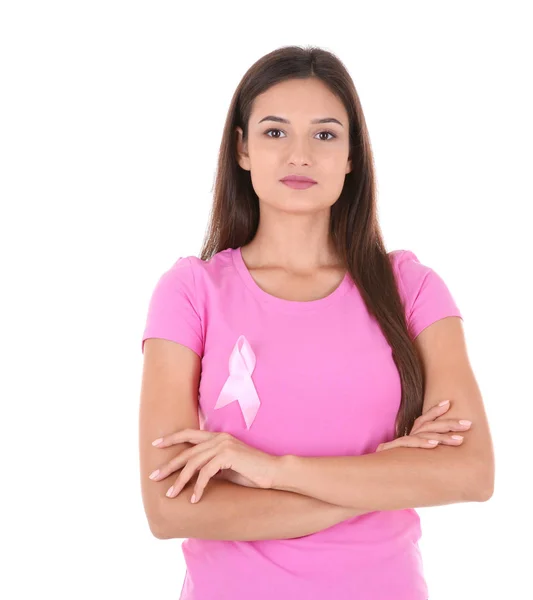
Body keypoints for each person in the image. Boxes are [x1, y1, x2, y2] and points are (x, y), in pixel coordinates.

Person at [138, 45, 494, 600]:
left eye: (325, 135)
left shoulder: (412, 289)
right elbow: (168, 508)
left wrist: (269, 469)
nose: (299, 155)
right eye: (275, 133)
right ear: (242, 149)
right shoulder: (190, 292)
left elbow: (471, 473)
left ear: (353, 155)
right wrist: (382, 477)